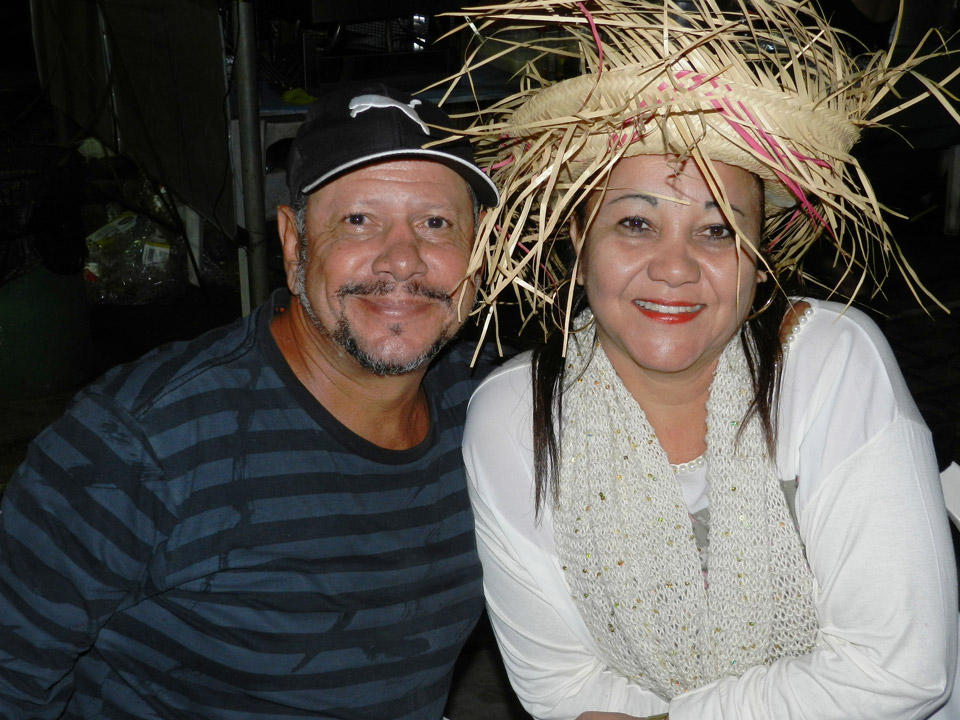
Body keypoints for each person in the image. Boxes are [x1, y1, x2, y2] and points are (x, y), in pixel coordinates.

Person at [453, 1, 960, 718]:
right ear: (578, 235)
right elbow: (561, 687)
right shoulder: (516, 416)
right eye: (636, 222)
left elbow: (900, 672)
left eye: (718, 230)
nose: (676, 267)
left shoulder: (827, 362)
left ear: (760, 255)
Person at [0, 81, 499, 719]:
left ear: (480, 251)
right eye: (358, 220)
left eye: (436, 223)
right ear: (293, 242)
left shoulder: (489, 411)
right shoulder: (139, 443)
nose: (402, 261)